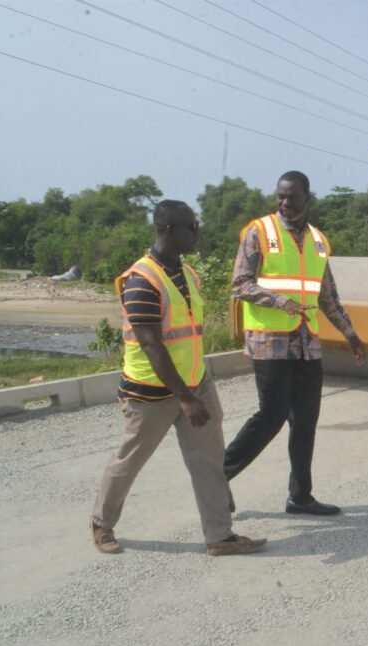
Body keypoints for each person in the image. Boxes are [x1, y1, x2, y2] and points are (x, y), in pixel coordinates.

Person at [90, 200, 266, 557]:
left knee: (209, 460)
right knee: (130, 460)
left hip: (194, 382)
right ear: (168, 229)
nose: (197, 233)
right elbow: (152, 345)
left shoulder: (186, 274)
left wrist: (193, 389)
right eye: (191, 227)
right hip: (150, 392)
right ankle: (101, 523)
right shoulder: (142, 280)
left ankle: (220, 536)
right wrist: (185, 398)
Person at [225, 171, 366, 516]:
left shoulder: (319, 240)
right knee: (271, 416)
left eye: (291, 197)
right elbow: (240, 285)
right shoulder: (259, 232)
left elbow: (326, 295)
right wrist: (278, 301)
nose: (284, 203)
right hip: (269, 341)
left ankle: (300, 496)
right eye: (280, 197)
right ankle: (217, 477)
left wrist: (350, 333)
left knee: (306, 419)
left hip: (306, 343)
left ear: (307, 198)